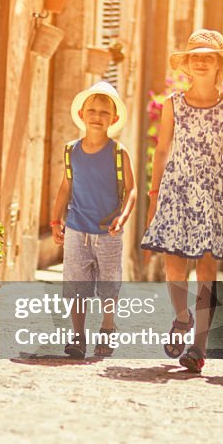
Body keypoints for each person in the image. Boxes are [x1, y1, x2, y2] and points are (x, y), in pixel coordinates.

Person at [142, 30, 223, 373]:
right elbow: (161, 152)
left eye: (208, 57)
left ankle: (198, 345)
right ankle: (182, 317)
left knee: (206, 268)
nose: (201, 61)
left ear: (219, 66)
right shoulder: (173, 104)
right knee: (173, 262)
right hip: (177, 189)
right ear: (187, 64)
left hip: (214, 194)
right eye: (195, 56)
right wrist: (154, 198)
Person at [50, 81, 136, 359]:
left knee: (109, 284)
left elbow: (132, 190)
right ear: (82, 114)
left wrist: (122, 218)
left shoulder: (118, 153)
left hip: (108, 232)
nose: (97, 116)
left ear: (113, 118)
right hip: (76, 228)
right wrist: (55, 221)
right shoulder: (70, 151)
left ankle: (108, 328)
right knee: (76, 283)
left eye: (103, 112)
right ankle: (77, 336)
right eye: (92, 110)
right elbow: (66, 187)